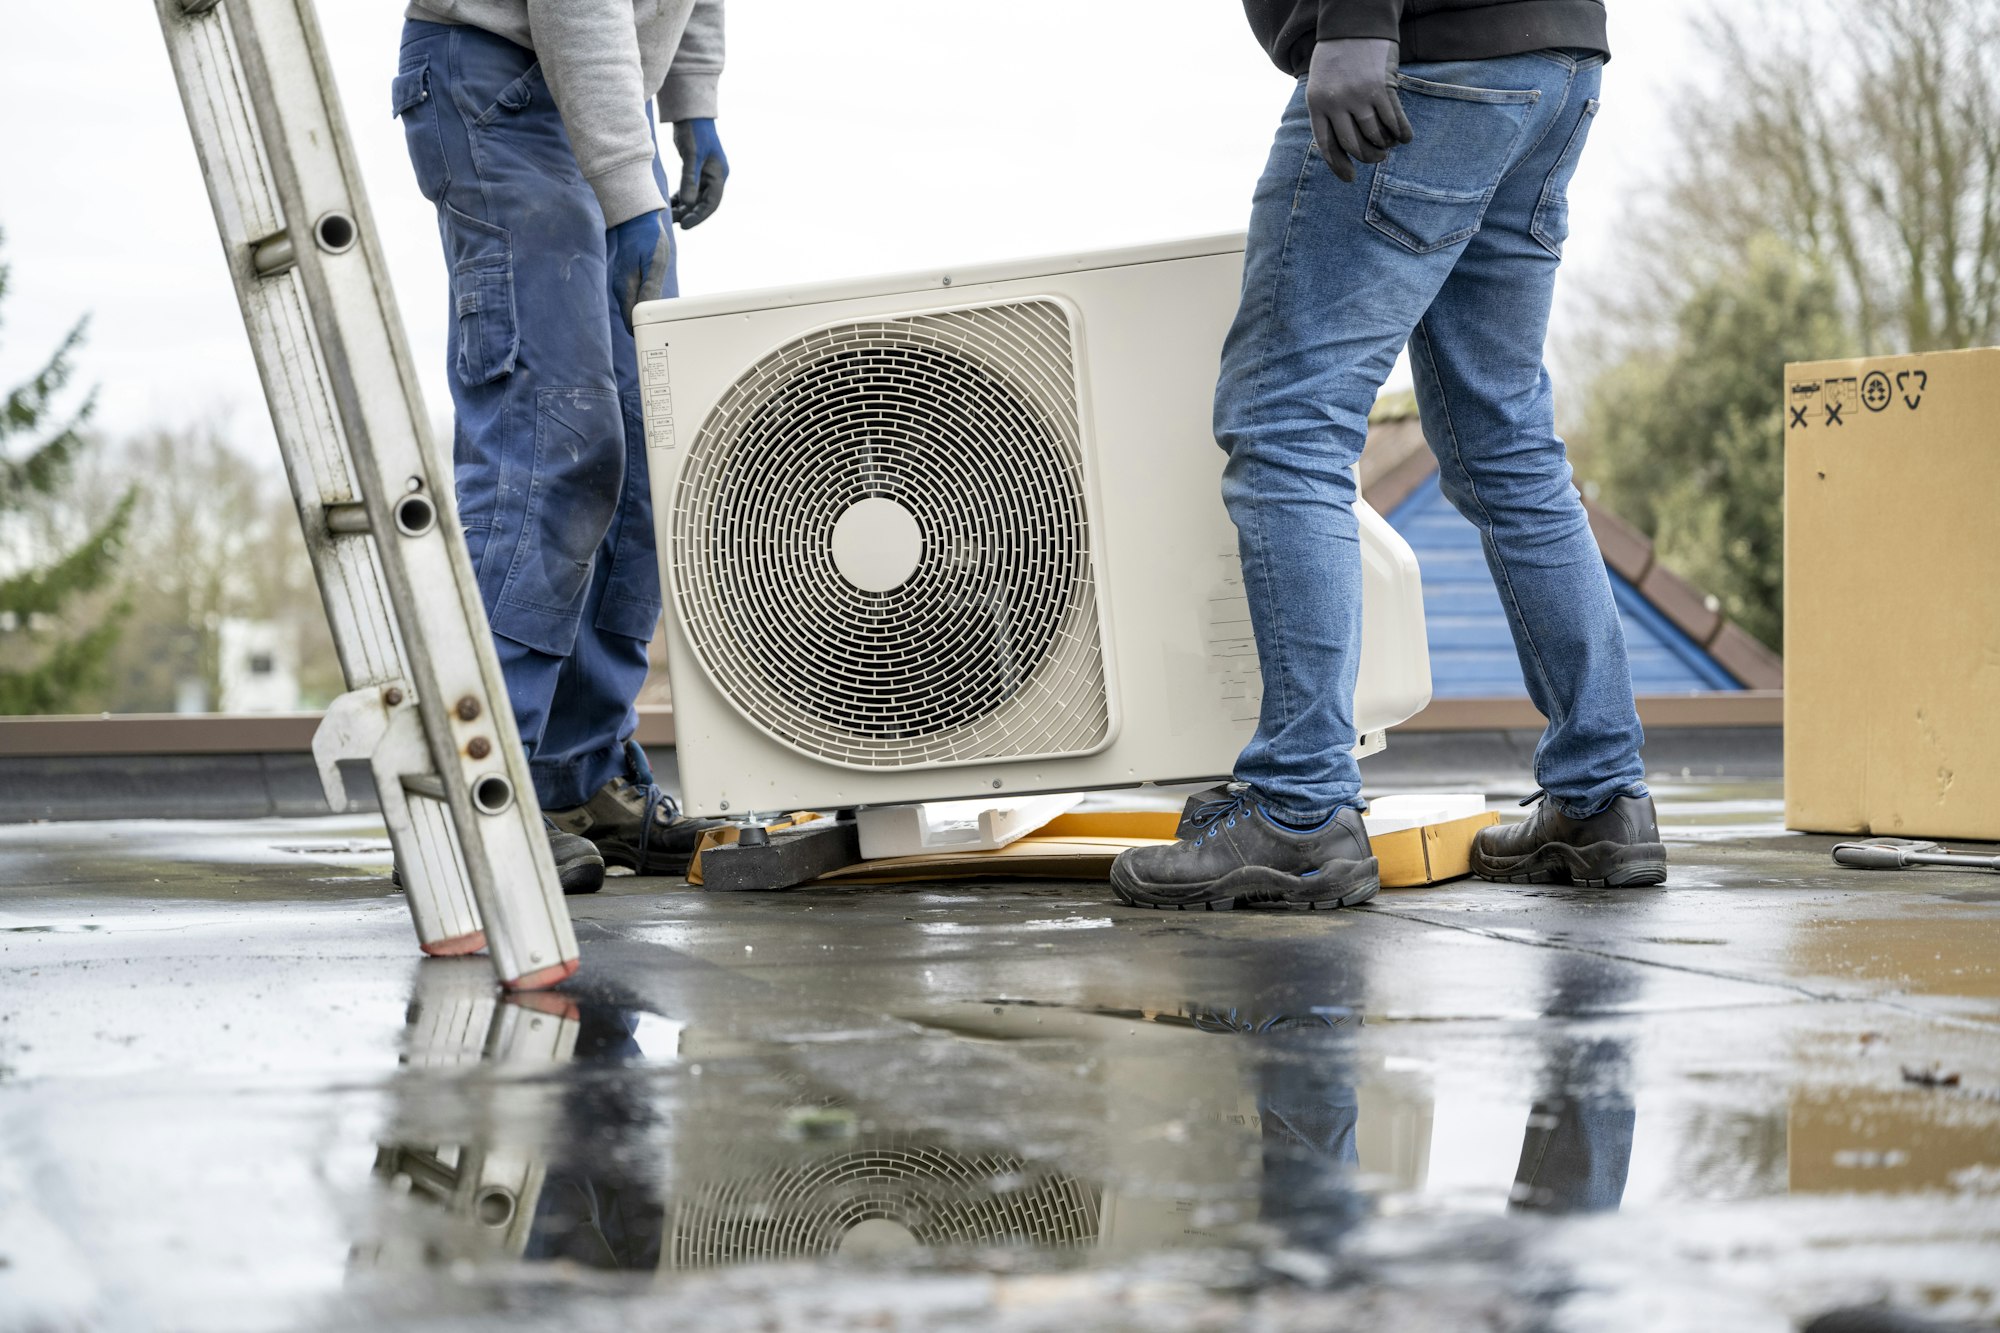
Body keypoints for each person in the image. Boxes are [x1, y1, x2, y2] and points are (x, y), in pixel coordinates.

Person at [1112, 0, 1665, 911]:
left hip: (1421, 57)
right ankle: (1603, 795)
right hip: (1549, 61)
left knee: (1289, 423)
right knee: (1507, 441)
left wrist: (1357, 22)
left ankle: (1298, 809)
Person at [391, 0, 730, 894]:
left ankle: (576, 779)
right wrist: (627, 177)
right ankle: (475, 790)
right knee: (554, 433)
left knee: (647, 450)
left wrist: (693, 97)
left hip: (605, 91)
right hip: (500, 82)